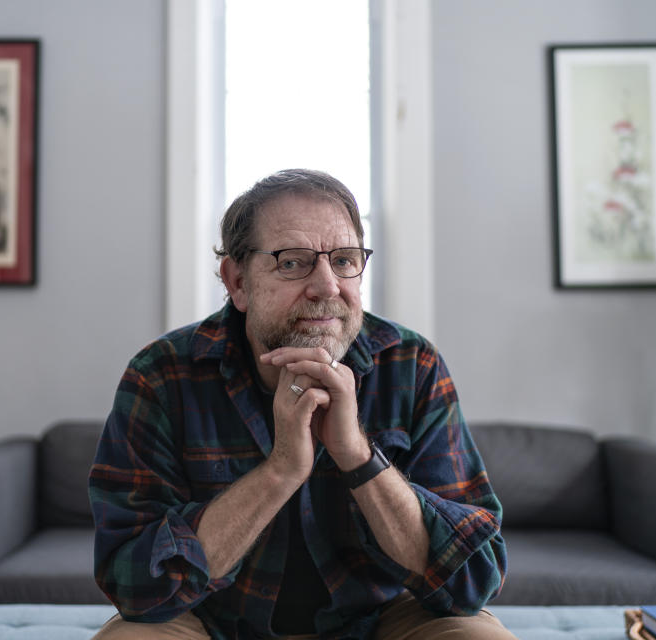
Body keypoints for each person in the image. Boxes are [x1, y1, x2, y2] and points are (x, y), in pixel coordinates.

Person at [88, 169, 514, 639]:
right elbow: (131, 581)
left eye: (346, 260)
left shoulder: (411, 364)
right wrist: (281, 470)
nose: (327, 287)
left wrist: (358, 456)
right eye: (293, 263)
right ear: (237, 281)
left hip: (380, 622)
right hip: (213, 623)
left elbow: (474, 579)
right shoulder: (162, 374)